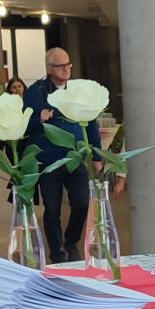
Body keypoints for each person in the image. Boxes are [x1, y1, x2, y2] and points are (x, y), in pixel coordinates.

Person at [23, 48, 108, 262]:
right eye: (60, 66)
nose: (66, 69)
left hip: (75, 157)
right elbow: (25, 125)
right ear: (48, 68)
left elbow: (91, 122)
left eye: (68, 64)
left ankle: (70, 242)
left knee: (82, 203)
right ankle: (57, 253)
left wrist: (97, 155)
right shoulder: (36, 91)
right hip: (48, 160)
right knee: (52, 209)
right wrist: (38, 118)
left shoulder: (78, 89)